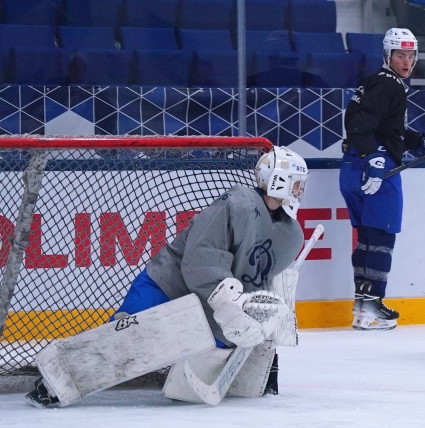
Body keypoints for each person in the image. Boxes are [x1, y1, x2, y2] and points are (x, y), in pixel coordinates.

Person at [26, 145, 309, 407]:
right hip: (168, 287)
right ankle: (54, 381)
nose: (300, 190)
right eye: (297, 183)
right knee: (123, 341)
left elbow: (261, 283)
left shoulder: (291, 235)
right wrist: (230, 304)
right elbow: (201, 258)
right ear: (278, 180)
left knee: (218, 350)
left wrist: (260, 328)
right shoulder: (236, 203)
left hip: (214, 312)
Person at [340, 27, 425, 331]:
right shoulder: (390, 85)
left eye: (412, 55)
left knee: (366, 238)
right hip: (375, 168)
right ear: (388, 55)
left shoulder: (376, 82)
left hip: (351, 168)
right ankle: (372, 306)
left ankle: (363, 305)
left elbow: (387, 129)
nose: (407, 61)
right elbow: (359, 125)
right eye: (401, 54)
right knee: (382, 238)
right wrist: (374, 158)